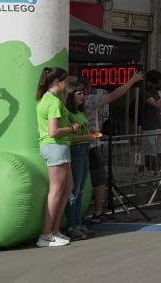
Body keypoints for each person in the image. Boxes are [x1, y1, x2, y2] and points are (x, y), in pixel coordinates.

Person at [77, 72, 143, 224]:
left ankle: (77, 217)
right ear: (87, 89)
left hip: (76, 145)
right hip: (91, 145)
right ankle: (97, 213)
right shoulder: (90, 100)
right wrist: (131, 81)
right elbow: (115, 94)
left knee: (78, 182)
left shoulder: (67, 102)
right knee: (99, 179)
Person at [35, 66, 76, 247]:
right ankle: (46, 234)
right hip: (55, 146)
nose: (67, 84)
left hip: (57, 146)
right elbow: (53, 131)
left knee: (67, 187)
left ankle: (54, 230)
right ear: (58, 82)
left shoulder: (46, 99)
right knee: (57, 190)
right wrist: (71, 129)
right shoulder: (52, 101)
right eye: (65, 80)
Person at [63, 78, 98, 240]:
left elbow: (81, 131)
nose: (82, 97)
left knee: (81, 189)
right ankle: (72, 225)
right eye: (79, 94)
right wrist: (87, 136)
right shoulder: (67, 113)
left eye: (83, 93)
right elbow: (69, 138)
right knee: (74, 190)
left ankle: (78, 223)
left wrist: (89, 131)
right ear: (71, 95)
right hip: (76, 151)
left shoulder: (79, 113)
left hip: (84, 150)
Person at [138, 71, 161, 178]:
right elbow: (156, 104)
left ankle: (157, 172)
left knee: (158, 151)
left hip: (158, 125)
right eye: (158, 82)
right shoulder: (144, 91)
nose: (160, 84)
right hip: (149, 127)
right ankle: (145, 173)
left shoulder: (156, 91)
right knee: (148, 152)